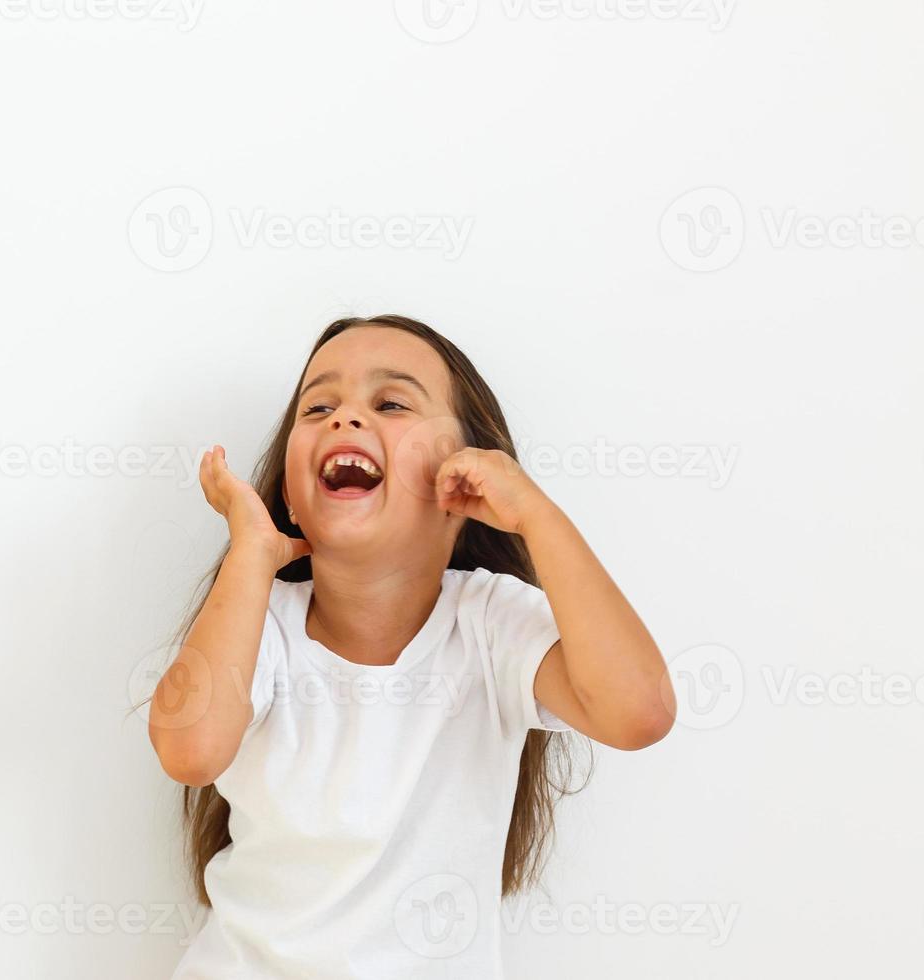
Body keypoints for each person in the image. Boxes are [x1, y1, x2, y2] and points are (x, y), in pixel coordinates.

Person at [149, 314, 674, 978]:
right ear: (288, 492)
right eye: (318, 406)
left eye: (390, 402)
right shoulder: (260, 623)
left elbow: (637, 711)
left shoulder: (489, 623)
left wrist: (536, 515)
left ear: (467, 477)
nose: (343, 420)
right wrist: (250, 555)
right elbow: (188, 750)